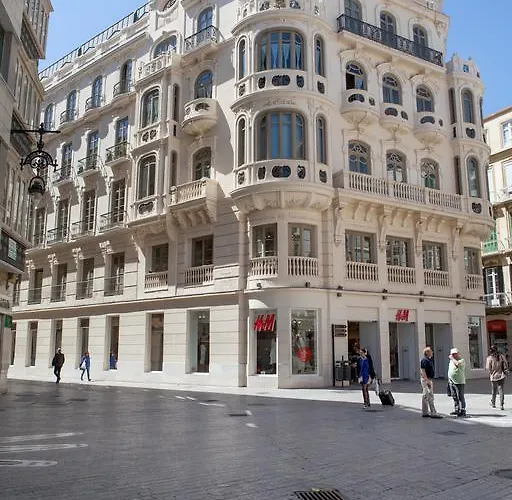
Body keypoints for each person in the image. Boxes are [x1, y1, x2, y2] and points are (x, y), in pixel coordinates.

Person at [420, 346, 442, 418]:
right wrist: (427, 380)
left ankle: (425, 412)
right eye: (431, 351)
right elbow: (423, 371)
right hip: (427, 379)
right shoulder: (425, 360)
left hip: (428, 379)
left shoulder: (429, 360)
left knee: (426, 396)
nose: (432, 352)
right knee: (429, 395)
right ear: (427, 352)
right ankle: (433, 412)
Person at [486, 345, 509, 410]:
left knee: (494, 390)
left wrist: (491, 374)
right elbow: (506, 364)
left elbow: (488, 368)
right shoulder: (502, 356)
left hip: (493, 376)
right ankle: (501, 405)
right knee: (501, 390)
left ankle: (493, 403)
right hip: (501, 375)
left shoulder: (489, 358)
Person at [448, 347, 466, 417]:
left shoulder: (461, 360)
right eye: (453, 354)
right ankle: (457, 409)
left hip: (459, 381)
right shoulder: (451, 361)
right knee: (454, 396)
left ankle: (462, 410)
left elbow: (457, 364)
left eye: (455, 354)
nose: (454, 355)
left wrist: (452, 359)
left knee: (460, 396)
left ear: (458, 354)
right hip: (452, 381)